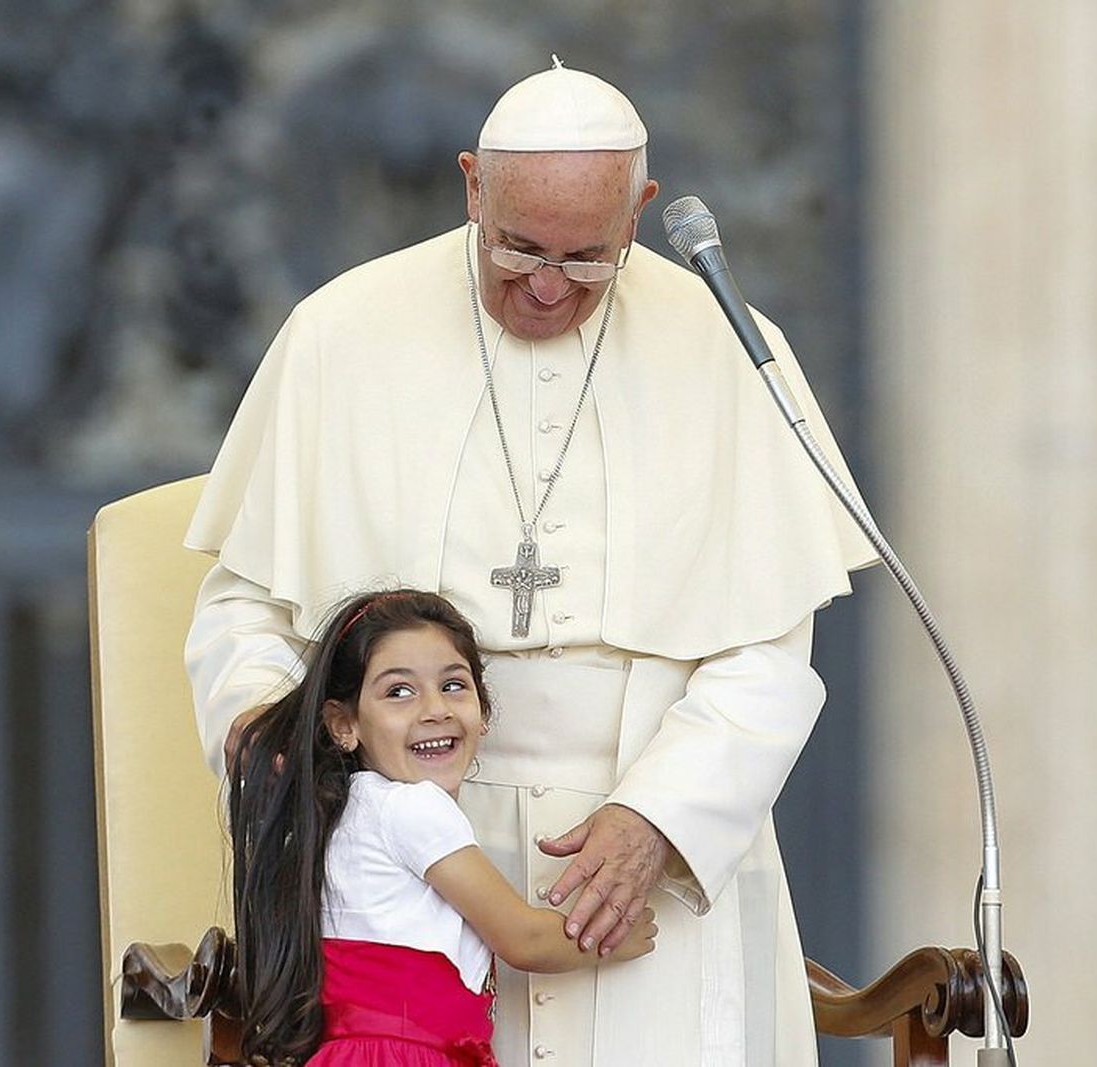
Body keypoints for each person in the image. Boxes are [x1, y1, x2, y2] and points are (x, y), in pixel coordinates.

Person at [186, 57, 878, 1065]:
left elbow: (771, 652)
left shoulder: (730, 347)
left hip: (645, 848)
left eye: (589, 260)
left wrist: (659, 817)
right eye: (515, 250)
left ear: (639, 210)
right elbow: (245, 606)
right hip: (403, 857)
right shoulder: (340, 334)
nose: (548, 287)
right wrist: (270, 736)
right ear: (472, 184)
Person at [229, 589, 657, 1066]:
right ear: (343, 724)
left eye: (453, 685)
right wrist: (615, 937)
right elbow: (523, 939)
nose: (435, 708)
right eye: (399, 692)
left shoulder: (343, 812)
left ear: (485, 711)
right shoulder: (412, 810)